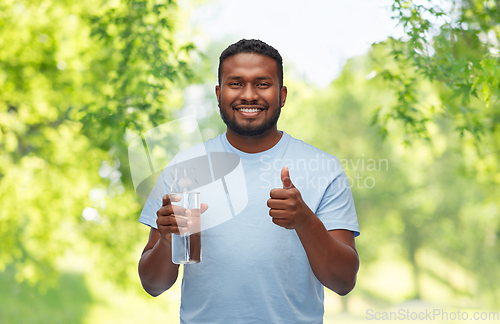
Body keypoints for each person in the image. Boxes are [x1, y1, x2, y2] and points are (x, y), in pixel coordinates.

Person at [138, 39, 360, 323]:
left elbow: (343, 282)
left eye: (262, 84)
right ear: (219, 93)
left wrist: (305, 221)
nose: (249, 95)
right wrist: (168, 240)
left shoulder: (324, 168)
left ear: (282, 95)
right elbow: (153, 285)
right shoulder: (184, 168)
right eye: (236, 83)